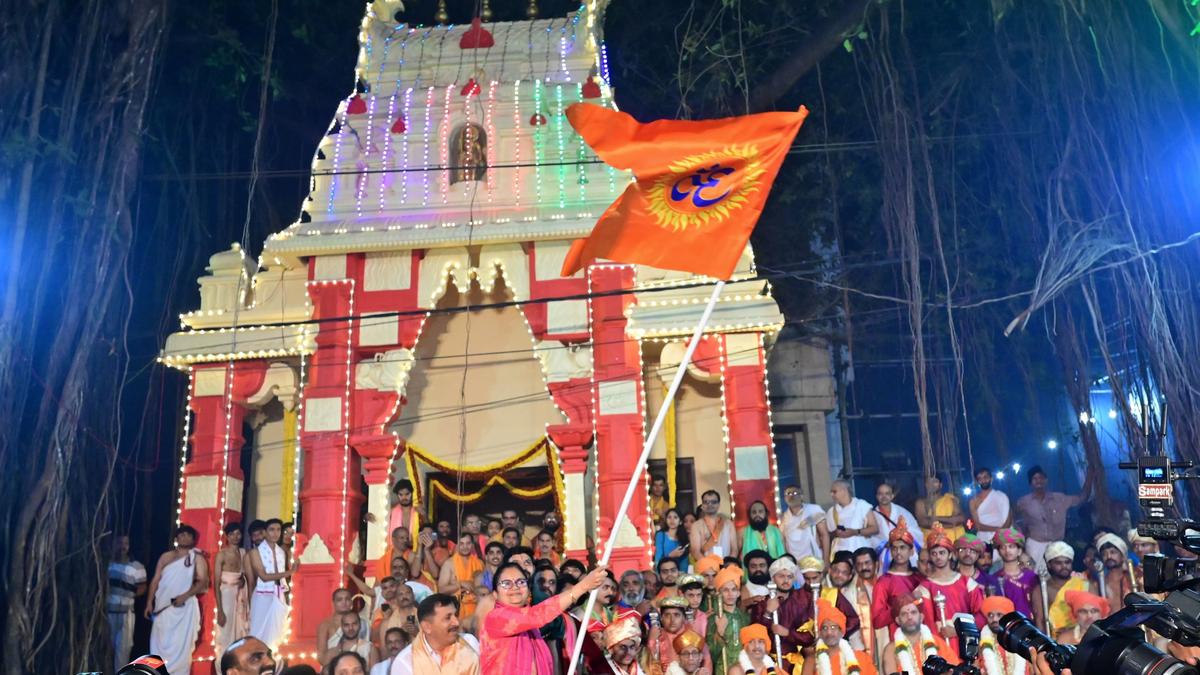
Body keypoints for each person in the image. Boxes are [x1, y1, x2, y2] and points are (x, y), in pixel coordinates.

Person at [480, 560, 608, 671]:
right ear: (495, 594)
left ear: (529, 590)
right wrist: (583, 586)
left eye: (521, 582)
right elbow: (537, 615)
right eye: (506, 583)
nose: (515, 587)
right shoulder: (495, 618)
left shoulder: (532, 628)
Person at [749, 557, 860, 673]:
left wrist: (788, 633)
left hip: (797, 664)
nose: (786, 580)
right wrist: (767, 613)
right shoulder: (762, 604)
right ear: (773, 578)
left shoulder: (803, 601)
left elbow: (809, 637)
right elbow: (755, 636)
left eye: (790, 576)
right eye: (781, 576)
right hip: (767, 664)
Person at [146, 524, 208, 675]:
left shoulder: (197, 558)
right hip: (163, 606)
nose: (184, 537)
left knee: (180, 645)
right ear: (176, 538)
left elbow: (203, 582)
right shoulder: (166, 557)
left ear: (193, 539)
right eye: (182, 535)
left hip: (183, 608)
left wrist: (184, 596)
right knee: (159, 642)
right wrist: (149, 603)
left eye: (188, 535)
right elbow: (155, 580)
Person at [917, 525, 984, 650]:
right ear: (930, 557)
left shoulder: (967, 583)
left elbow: (981, 616)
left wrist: (957, 631)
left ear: (950, 555)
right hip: (940, 643)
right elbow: (928, 623)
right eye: (934, 553)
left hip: (967, 642)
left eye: (942, 553)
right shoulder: (925, 587)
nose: (938, 557)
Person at [1013, 466, 1091, 570]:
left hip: (1057, 544)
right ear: (1030, 483)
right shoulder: (1024, 502)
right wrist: (1020, 535)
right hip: (1035, 545)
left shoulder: (1059, 498)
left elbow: (1082, 498)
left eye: (1041, 477)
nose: (1038, 481)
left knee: (1059, 573)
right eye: (1035, 478)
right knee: (1035, 575)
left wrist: (1090, 477)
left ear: (1046, 480)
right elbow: (1011, 517)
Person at [391, 593, 481, 675]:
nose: (456, 622)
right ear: (427, 627)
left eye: (455, 615)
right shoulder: (406, 662)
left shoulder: (469, 643)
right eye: (447, 618)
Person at [248, 518, 296, 649]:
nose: (276, 533)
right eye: (272, 530)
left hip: (279, 594)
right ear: (264, 532)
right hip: (263, 594)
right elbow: (263, 576)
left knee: (278, 635)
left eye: (278, 530)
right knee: (258, 634)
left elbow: (282, 581)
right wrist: (290, 572)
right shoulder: (255, 552)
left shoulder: (282, 552)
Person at [880, 594, 955, 675]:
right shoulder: (891, 649)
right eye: (904, 614)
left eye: (913, 612)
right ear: (898, 620)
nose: (909, 617)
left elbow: (954, 670)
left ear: (921, 617)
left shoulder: (938, 643)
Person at [800, 599, 877, 675]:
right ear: (820, 633)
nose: (829, 632)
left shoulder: (862, 658)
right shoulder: (812, 661)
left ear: (842, 632)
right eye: (825, 628)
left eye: (833, 627)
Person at [869, 522, 921, 635]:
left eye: (902, 548)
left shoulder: (919, 578)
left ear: (911, 551)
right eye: (894, 549)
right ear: (891, 552)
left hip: (923, 636)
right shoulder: (884, 582)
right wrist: (902, 604)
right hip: (898, 639)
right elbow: (877, 621)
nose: (898, 552)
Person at [107, 533, 148, 674]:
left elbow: (143, 587)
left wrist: (129, 594)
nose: (122, 547)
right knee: (107, 648)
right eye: (119, 543)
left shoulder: (137, 567)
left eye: (125, 543)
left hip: (127, 614)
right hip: (108, 613)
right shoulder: (107, 564)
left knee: (123, 650)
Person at [993, 528, 1043, 628]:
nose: (1007, 550)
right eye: (1003, 547)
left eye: (1011, 547)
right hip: (1005, 629)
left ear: (1019, 551)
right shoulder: (995, 578)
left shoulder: (1031, 577)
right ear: (999, 552)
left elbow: (1038, 611)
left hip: (1030, 627)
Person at [214, 522, 249, 661]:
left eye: (238, 533)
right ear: (226, 536)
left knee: (242, 630)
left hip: (240, 595)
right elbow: (216, 583)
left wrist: (243, 582)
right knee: (225, 632)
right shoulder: (221, 554)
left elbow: (246, 576)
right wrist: (220, 611)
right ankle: (223, 665)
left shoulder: (243, 553)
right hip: (226, 595)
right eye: (232, 534)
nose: (235, 537)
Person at [651, 595, 713, 672]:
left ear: (684, 617)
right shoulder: (657, 636)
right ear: (661, 618)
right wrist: (652, 641)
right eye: (667, 615)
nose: (672, 620)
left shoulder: (693, 635)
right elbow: (651, 665)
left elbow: (707, 662)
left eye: (676, 615)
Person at [1043, 541, 1093, 635]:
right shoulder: (1043, 588)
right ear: (1049, 564)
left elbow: (1095, 615)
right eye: (1058, 563)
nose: (1064, 566)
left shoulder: (1084, 585)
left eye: (1067, 562)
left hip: (1084, 638)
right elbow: (1040, 619)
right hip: (1056, 642)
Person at [708, 565, 750, 675]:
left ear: (739, 593)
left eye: (733, 589)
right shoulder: (714, 619)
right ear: (719, 593)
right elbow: (710, 654)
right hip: (722, 670)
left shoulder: (745, 618)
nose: (730, 594)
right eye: (725, 590)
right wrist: (719, 633)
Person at [825, 480, 878, 559]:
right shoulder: (831, 511)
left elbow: (874, 529)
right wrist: (836, 533)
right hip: (840, 554)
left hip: (861, 552)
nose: (831, 494)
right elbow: (827, 535)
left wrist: (854, 532)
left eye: (834, 492)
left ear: (844, 490)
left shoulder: (861, 505)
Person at [868, 482, 918, 561]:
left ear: (892, 496)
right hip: (883, 557)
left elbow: (915, 531)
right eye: (880, 494)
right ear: (876, 496)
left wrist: (900, 539)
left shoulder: (903, 512)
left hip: (904, 554)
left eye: (887, 493)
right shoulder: (871, 515)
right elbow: (868, 537)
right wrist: (883, 544)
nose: (884, 496)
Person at [439, 531, 484, 618]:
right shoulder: (449, 563)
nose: (465, 547)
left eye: (468, 543)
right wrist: (461, 583)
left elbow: (484, 588)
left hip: (477, 609)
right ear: (456, 545)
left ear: (472, 545)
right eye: (461, 543)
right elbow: (441, 590)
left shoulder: (479, 563)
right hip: (456, 610)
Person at [782, 484, 830, 564]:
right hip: (794, 562)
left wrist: (826, 560)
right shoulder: (784, 517)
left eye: (795, 493)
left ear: (801, 496)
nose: (791, 496)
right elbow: (784, 541)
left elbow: (824, 535)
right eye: (788, 494)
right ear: (785, 498)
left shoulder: (813, 509)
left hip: (814, 559)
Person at [978, 596, 1024, 675]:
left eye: (999, 615)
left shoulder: (1020, 642)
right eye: (991, 615)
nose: (995, 619)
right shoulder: (982, 642)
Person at [915, 474, 965, 543]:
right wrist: (951, 524)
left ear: (940, 485)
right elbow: (923, 523)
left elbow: (960, 519)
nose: (931, 484)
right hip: (931, 542)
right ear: (925, 485)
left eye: (935, 481)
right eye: (928, 482)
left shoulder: (950, 500)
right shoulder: (921, 502)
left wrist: (935, 518)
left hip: (952, 541)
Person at [691, 490, 740, 559]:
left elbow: (734, 550)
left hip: (726, 566)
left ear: (719, 504)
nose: (710, 504)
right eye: (706, 502)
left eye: (713, 502)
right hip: (706, 567)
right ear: (702, 505)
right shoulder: (696, 526)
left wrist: (727, 565)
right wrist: (709, 567)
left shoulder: (728, 524)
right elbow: (695, 551)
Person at [597, 609, 647, 675]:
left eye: (632, 647)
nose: (628, 652)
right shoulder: (602, 671)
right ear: (611, 649)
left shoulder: (640, 670)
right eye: (622, 647)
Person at [317, 588, 364, 656]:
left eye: (347, 599)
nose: (344, 602)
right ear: (333, 603)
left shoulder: (363, 623)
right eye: (339, 600)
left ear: (351, 602)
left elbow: (367, 648)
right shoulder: (326, 625)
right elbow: (321, 656)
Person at [1096, 532, 1134, 615]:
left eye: (1113, 552)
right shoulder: (1100, 584)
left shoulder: (1133, 579)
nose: (1109, 556)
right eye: (1104, 554)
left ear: (1123, 556)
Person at [969, 468, 1013, 538]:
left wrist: (1001, 533)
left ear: (991, 479)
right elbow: (978, 526)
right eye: (980, 479)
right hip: (984, 539)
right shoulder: (973, 501)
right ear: (977, 482)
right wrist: (998, 531)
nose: (983, 481)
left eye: (985, 477)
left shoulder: (1001, 496)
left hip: (1004, 537)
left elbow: (1009, 519)